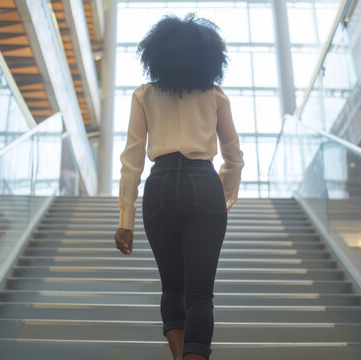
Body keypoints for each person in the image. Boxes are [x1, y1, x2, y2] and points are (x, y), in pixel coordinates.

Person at [114, 13, 244, 360]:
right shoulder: (216, 96)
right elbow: (234, 157)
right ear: (209, 58)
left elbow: (132, 159)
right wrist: (223, 196)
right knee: (200, 293)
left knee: (172, 286)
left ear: (157, 55)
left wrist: (125, 218)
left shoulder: (144, 95)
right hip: (204, 184)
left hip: (159, 186)